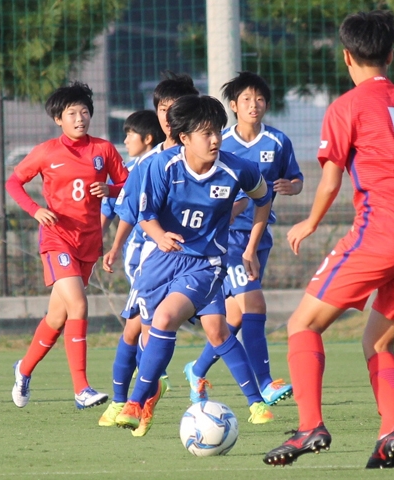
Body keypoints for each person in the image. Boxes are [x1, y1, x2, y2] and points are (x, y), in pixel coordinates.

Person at [263, 10, 394, 468]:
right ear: (391, 55)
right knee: (378, 343)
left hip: (381, 232)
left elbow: (331, 180)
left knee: (302, 325)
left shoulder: (347, 107)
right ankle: (389, 432)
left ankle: (310, 426)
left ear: (346, 57)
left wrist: (310, 223)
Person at [114, 94, 276, 436]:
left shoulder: (237, 168)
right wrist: (158, 236)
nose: (215, 139)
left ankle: (134, 400)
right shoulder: (162, 166)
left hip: (206, 263)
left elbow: (264, 198)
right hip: (161, 259)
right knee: (149, 332)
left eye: (217, 131)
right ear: (184, 138)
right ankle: (148, 398)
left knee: (170, 318)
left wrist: (249, 246)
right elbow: (146, 215)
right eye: (206, 133)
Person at [6, 82, 128, 409]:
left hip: (88, 243)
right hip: (57, 239)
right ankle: (81, 388)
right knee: (80, 306)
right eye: (72, 113)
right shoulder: (46, 151)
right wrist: (35, 210)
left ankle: (24, 368)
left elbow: (127, 182)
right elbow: (13, 181)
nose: (80, 118)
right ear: (58, 119)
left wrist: (112, 191)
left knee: (57, 318)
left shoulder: (103, 150)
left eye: (85, 112)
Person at [184, 71, 303, 406]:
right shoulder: (218, 142)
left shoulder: (278, 141)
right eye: (247, 100)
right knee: (255, 305)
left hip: (259, 235)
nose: (254, 105)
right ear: (234, 105)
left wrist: (291, 186)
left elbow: (295, 178)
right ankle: (264, 383)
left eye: (260, 99)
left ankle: (198, 368)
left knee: (235, 316)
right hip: (231, 240)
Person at [98, 73, 199, 432]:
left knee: (156, 328)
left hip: (196, 260)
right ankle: (127, 400)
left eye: (174, 108)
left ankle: (139, 399)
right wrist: (115, 245)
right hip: (149, 259)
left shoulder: (206, 157)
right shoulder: (147, 162)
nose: (168, 115)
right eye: (161, 108)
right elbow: (130, 209)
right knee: (135, 331)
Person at [100, 109, 165, 240]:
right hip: (134, 243)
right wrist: (94, 243)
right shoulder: (127, 170)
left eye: (130, 135)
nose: (125, 141)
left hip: (162, 242)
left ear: (147, 138)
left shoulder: (168, 166)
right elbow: (107, 208)